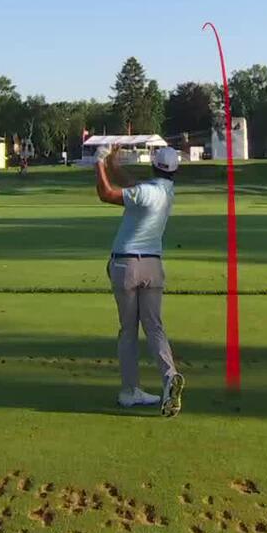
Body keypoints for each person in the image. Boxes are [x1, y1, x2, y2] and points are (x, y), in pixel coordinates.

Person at [94, 143, 184, 416]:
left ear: (153, 165)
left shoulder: (145, 192)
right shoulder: (166, 193)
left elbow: (107, 194)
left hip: (126, 264)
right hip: (153, 266)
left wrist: (98, 163)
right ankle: (170, 378)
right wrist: (113, 163)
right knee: (155, 328)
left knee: (128, 330)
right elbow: (132, 185)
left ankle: (130, 390)